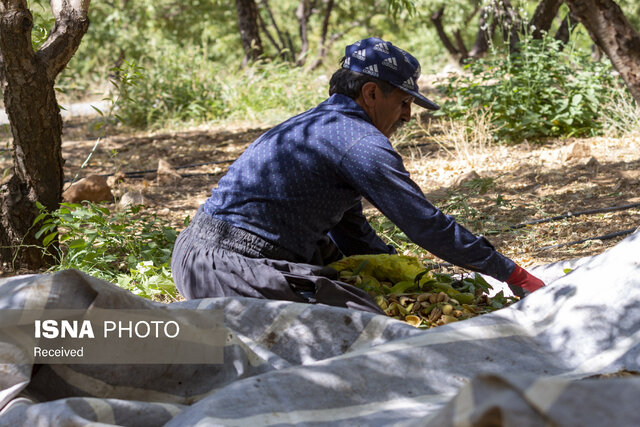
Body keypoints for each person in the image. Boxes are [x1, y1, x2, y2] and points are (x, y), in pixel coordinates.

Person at [171, 37, 545, 314]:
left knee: (368, 288)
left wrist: (404, 273)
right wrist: (512, 274)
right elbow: (425, 224)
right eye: (403, 102)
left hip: (196, 255)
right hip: (227, 270)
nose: (406, 116)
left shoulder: (320, 125)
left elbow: (348, 229)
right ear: (370, 93)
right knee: (368, 322)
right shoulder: (358, 141)